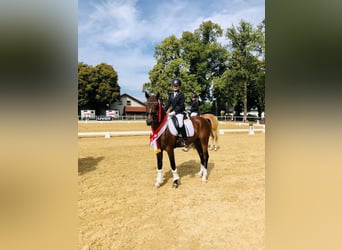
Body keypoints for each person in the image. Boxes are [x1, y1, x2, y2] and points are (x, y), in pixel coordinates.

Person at [164, 78, 189, 151]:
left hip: (179, 113)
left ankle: (185, 140)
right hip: (172, 112)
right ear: (172, 86)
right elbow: (167, 104)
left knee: (180, 124)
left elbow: (181, 106)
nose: (175, 87)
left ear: (179, 86)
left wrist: (174, 112)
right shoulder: (170, 95)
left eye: (176, 86)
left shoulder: (181, 95)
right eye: (174, 85)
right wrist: (163, 111)